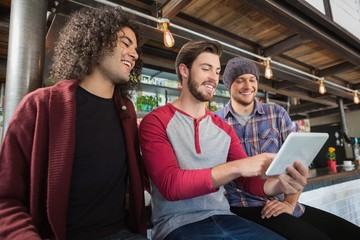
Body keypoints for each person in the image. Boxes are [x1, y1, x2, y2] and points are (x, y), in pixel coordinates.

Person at [0, 6, 148, 240]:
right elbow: (6, 198)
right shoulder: (40, 105)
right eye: (125, 42)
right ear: (96, 41)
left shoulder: (126, 111)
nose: (135, 53)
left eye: (136, 48)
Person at [139, 40, 309, 240]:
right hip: (177, 224)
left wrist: (281, 184)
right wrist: (238, 166)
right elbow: (170, 185)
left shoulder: (223, 128)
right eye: (206, 68)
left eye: (217, 71)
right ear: (184, 70)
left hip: (225, 217)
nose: (213, 77)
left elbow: (248, 182)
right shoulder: (155, 121)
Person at [214, 56, 360, 240]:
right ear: (228, 85)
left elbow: (299, 162)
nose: (248, 85)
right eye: (240, 80)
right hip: (242, 207)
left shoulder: (276, 113)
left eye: (252, 79)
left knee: (351, 234)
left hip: (280, 203)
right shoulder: (215, 121)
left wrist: (290, 204)